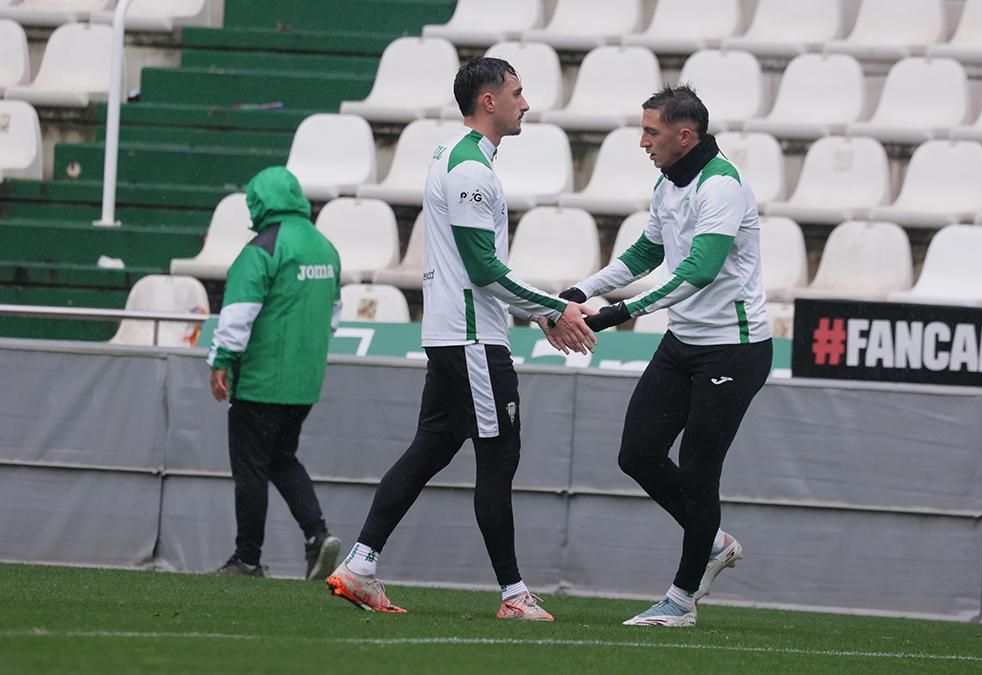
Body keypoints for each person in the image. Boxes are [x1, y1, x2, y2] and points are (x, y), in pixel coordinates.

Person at [325, 57, 597, 620]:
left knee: (430, 449)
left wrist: (538, 316)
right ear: (489, 100)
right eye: (518, 93)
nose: (526, 103)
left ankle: (358, 566)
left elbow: (479, 266)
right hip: (473, 340)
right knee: (499, 458)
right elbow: (481, 267)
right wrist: (554, 310)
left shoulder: (455, 157)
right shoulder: (471, 169)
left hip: (453, 333)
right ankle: (513, 595)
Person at [560, 84, 773, 628]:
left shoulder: (722, 185)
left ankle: (681, 602)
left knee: (701, 474)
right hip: (685, 343)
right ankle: (715, 542)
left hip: (734, 348)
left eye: (650, 132)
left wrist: (613, 315)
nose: (641, 141)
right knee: (637, 454)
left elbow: (697, 271)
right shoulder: (670, 180)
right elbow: (645, 254)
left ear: (685, 135)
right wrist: (580, 292)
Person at [207, 166, 344, 581]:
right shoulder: (325, 248)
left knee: (250, 467)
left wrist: (221, 361)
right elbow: (333, 317)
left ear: (258, 202)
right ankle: (317, 535)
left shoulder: (262, 249)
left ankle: (247, 558)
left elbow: (238, 315)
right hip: (304, 382)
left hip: (262, 380)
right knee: (282, 458)